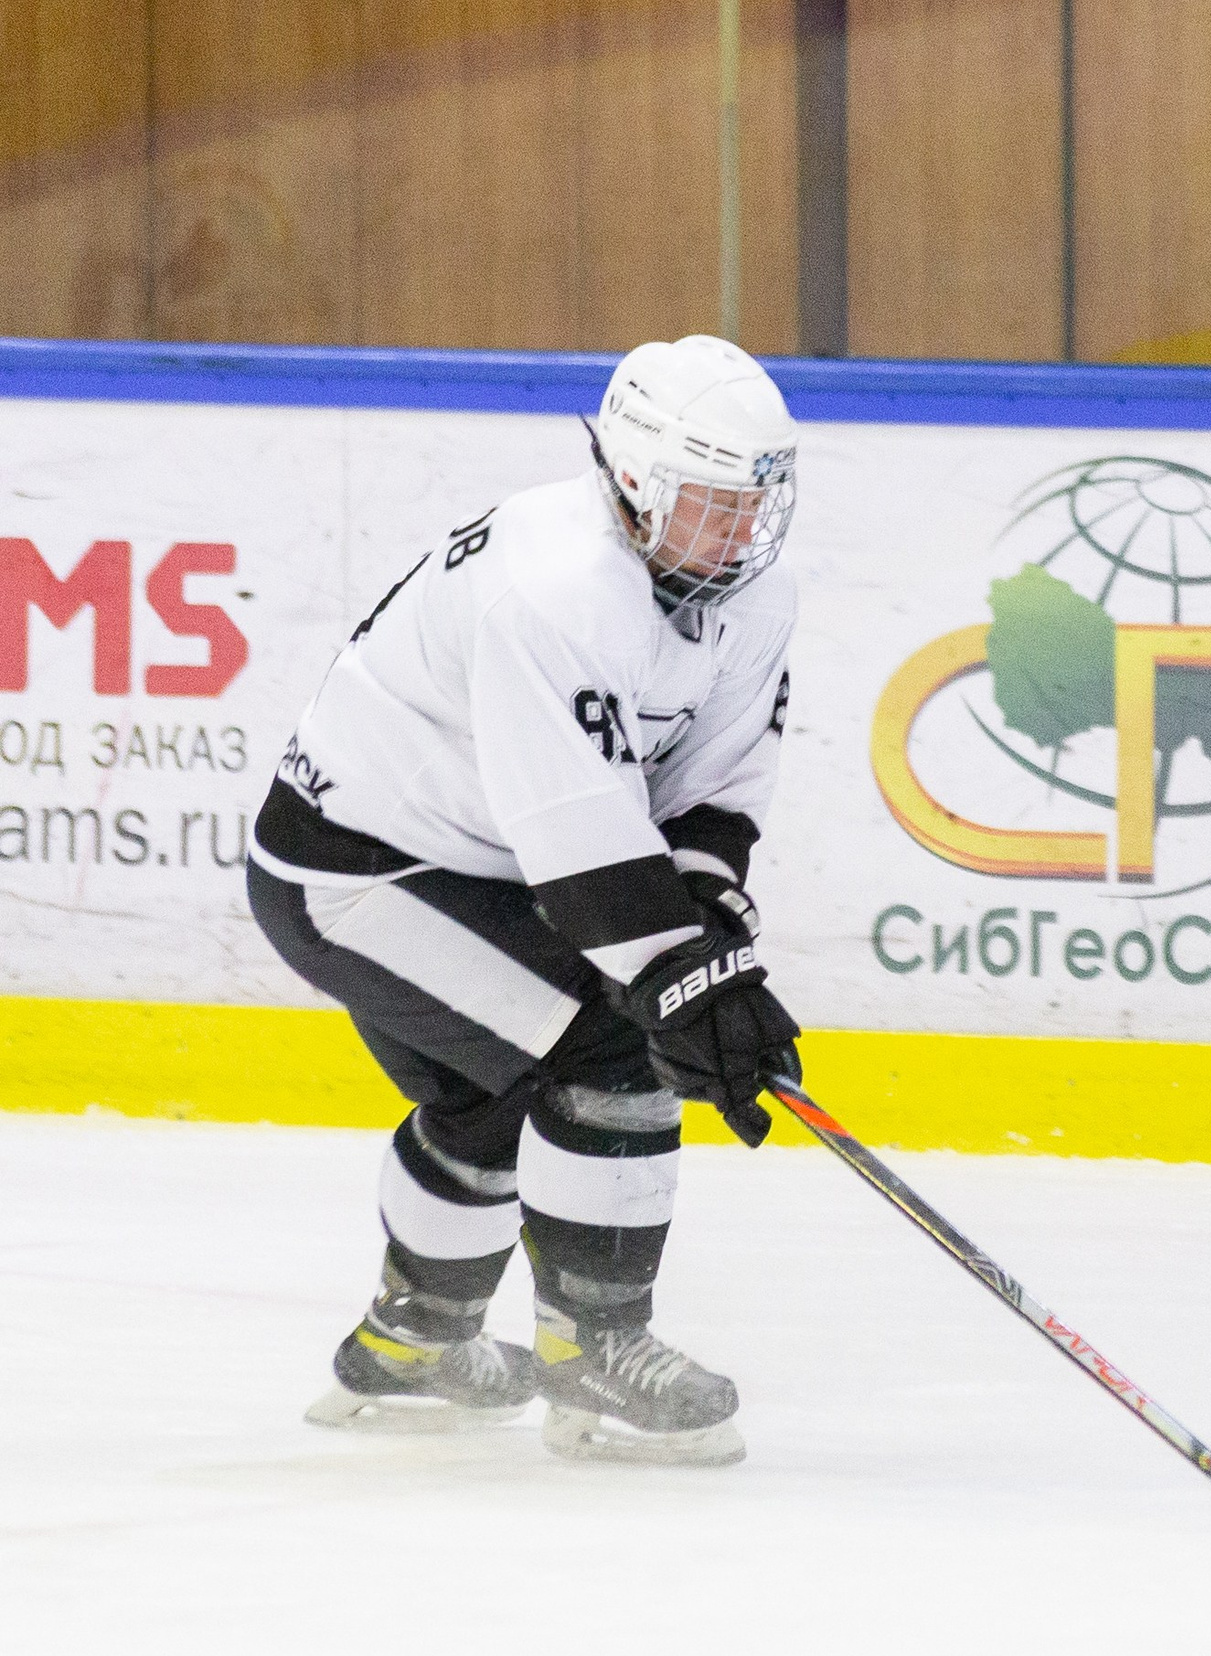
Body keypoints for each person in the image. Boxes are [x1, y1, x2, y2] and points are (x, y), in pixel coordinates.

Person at [246, 334, 804, 1466]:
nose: (740, 536)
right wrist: (688, 979)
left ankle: (412, 1348)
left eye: (760, 506)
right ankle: (595, 1354)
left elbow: (707, 790)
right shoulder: (551, 591)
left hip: (481, 863)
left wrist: (708, 935)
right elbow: (581, 844)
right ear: (635, 483)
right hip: (357, 872)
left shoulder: (757, 596)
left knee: (489, 1093)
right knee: (610, 1046)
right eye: (711, 506)